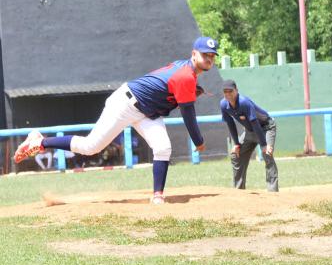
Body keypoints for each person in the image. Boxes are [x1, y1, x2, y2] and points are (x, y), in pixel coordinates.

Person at [13, 37, 218, 204]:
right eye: (204, 54)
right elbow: (188, 115)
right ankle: (39, 141)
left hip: (147, 113)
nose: (209, 58)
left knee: (163, 148)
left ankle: (158, 196)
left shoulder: (187, 71)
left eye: (212, 56)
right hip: (126, 104)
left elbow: (166, 87)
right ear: (193, 54)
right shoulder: (186, 76)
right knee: (90, 146)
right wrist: (198, 141)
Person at [220, 79, 278, 192]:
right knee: (236, 155)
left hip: (266, 128)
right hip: (249, 131)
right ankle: (239, 191)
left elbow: (255, 123)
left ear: (236, 90)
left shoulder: (244, 102)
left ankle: (273, 192)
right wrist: (236, 144)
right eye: (225, 91)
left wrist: (264, 145)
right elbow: (230, 123)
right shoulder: (223, 104)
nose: (228, 94)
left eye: (230, 91)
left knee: (267, 154)